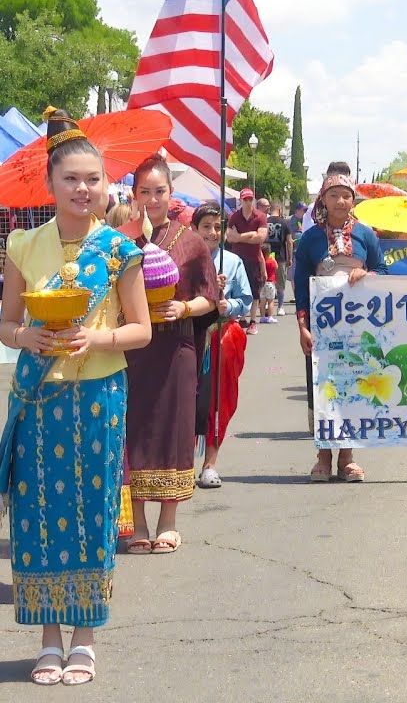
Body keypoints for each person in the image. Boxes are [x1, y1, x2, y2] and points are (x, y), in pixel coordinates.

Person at [0, 108, 150, 686]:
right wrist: (25, 336)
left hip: (97, 397)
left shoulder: (118, 250)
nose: (83, 189)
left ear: (105, 183)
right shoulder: (23, 245)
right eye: (71, 179)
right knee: (36, 519)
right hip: (38, 401)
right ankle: (46, 638)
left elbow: (141, 329)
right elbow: (6, 322)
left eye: (93, 179)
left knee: (90, 515)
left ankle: (84, 637)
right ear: (50, 184)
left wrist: (99, 336)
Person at [121, 155, 218, 556]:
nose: (152, 199)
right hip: (133, 351)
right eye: (145, 192)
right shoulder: (120, 239)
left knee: (173, 429)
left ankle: (169, 522)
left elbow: (210, 297)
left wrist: (184, 308)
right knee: (135, 430)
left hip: (176, 346)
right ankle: (138, 522)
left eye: (159, 192)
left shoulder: (190, 241)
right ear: (133, 194)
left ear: (170, 194)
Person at [294, 173, 388, 482]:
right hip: (323, 330)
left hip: (359, 328)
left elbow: (383, 270)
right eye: (334, 195)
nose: (340, 201)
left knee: (355, 387)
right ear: (323, 199)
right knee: (324, 388)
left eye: (346, 195)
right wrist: (303, 327)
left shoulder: (366, 234)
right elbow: (301, 287)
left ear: (353, 200)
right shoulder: (309, 239)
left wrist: (367, 275)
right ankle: (322, 457)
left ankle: (347, 457)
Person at [192, 205, 252, 490]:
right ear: (194, 229)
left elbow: (246, 299)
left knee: (218, 402)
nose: (212, 233)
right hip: (190, 337)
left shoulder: (233, 261)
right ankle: (181, 464)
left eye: (217, 227)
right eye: (206, 226)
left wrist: (231, 305)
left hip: (222, 337)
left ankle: (210, 464)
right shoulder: (183, 258)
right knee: (188, 401)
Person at [226, 188, 268, 334]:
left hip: (253, 259)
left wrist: (240, 237)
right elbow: (229, 237)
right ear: (241, 201)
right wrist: (250, 235)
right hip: (237, 260)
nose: (248, 202)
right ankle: (241, 318)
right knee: (238, 289)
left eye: (250, 199)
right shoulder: (234, 217)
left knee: (254, 291)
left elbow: (260, 237)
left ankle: (253, 321)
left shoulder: (260, 216)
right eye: (245, 199)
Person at [266, 202, 291, 314]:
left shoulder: (265, 222)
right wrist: (290, 257)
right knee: (281, 283)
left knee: (266, 281)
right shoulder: (285, 223)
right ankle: (280, 307)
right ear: (280, 210)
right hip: (280, 256)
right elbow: (289, 242)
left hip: (266, 255)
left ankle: (266, 304)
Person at [260, 243, 279, 322]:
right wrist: (273, 259)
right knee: (271, 301)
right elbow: (276, 267)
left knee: (262, 301)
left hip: (262, 283)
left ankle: (263, 317)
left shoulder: (261, 262)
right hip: (270, 283)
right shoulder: (271, 261)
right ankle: (270, 316)